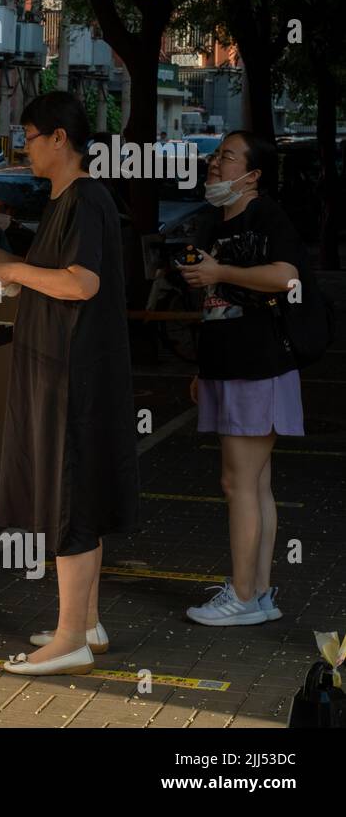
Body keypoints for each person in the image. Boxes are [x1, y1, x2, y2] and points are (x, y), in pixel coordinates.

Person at [0, 91, 139, 676]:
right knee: (79, 499)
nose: (22, 146)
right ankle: (87, 623)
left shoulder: (87, 199)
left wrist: (15, 270)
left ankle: (70, 639)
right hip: (62, 370)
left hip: (72, 376)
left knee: (69, 500)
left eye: (28, 135)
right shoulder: (64, 200)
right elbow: (38, 274)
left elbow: (80, 283)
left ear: (59, 139)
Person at [177, 131, 304, 625]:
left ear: (253, 175)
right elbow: (214, 304)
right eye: (215, 155)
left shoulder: (267, 215)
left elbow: (286, 277)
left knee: (238, 483)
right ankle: (260, 593)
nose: (214, 163)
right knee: (255, 484)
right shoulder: (215, 222)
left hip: (258, 365)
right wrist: (201, 370)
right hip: (226, 367)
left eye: (227, 157)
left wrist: (221, 272)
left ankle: (244, 597)